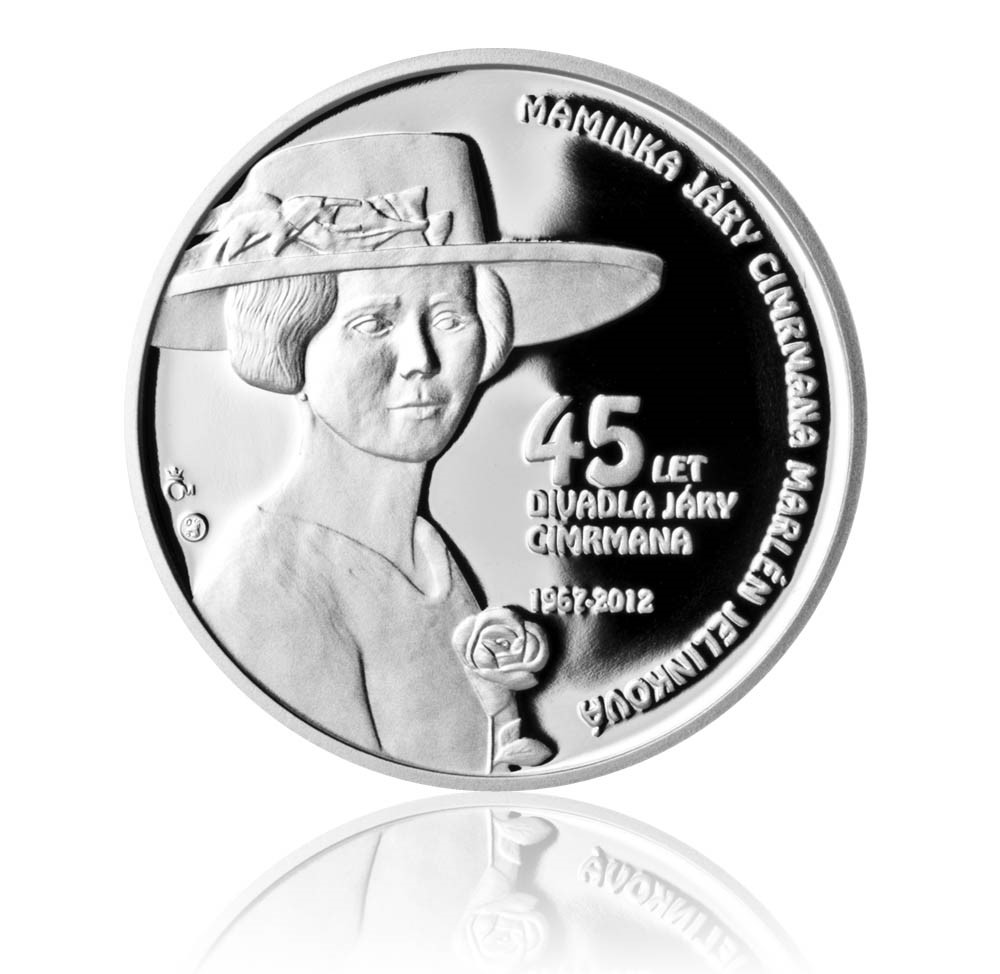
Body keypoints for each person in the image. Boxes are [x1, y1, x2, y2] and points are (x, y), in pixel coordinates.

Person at [153, 132, 662, 773]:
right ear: (289, 346)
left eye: (449, 319)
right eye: (374, 324)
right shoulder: (263, 590)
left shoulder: (426, 553)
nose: (422, 360)